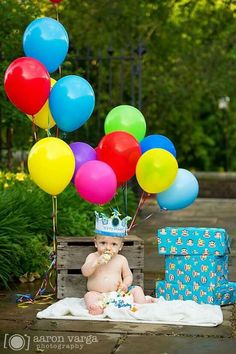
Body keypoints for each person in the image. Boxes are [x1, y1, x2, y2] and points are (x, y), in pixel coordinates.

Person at [81, 210, 155, 315]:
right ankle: (97, 308)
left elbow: (128, 275)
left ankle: (143, 304)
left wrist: (125, 284)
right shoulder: (93, 257)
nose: (108, 248)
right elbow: (85, 272)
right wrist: (96, 263)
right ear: (96, 243)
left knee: (137, 289)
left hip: (119, 294)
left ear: (120, 246)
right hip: (99, 295)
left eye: (114, 244)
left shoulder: (121, 259)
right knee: (88, 296)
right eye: (103, 243)